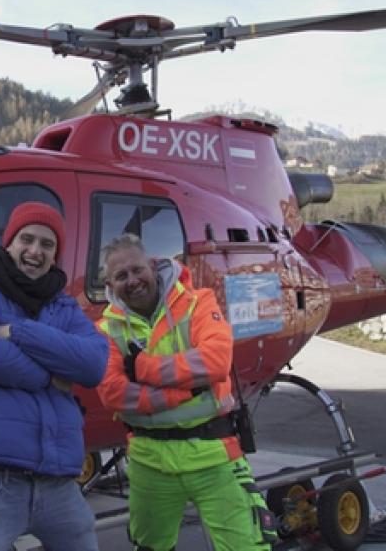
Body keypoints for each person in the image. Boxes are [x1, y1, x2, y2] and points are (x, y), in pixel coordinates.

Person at [0, 201, 108, 551]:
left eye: (47, 245)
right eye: (26, 239)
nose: (35, 251)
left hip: (58, 481)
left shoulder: (63, 305)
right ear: (8, 242)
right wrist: (50, 376)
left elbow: (93, 364)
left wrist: (17, 332)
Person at [96, 234, 276, 551]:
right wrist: (183, 392)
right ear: (110, 284)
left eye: (137, 270)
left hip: (213, 455)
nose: (133, 280)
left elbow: (216, 361)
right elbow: (113, 394)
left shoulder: (198, 303)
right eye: (121, 276)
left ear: (152, 266)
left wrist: (144, 369)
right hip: (149, 462)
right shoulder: (106, 330)